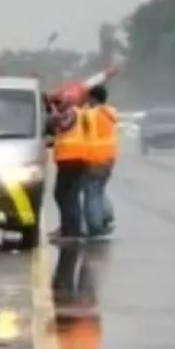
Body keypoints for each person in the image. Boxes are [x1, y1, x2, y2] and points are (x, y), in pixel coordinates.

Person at [48, 93, 90, 240]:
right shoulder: (74, 113)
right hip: (70, 158)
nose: (56, 106)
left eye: (57, 102)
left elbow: (62, 125)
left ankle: (72, 230)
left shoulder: (71, 112)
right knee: (67, 195)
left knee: (65, 195)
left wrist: (53, 114)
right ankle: (69, 227)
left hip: (72, 158)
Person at [82, 84, 118, 236]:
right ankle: (107, 215)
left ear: (93, 98)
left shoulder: (91, 115)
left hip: (94, 159)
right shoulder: (110, 113)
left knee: (91, 193)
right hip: (109, 158)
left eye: (88, 98)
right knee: (99, 190)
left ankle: (95, 226)